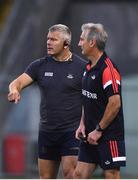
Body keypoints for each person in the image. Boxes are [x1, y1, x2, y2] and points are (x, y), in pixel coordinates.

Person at [8, 24, 86, 179]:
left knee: (71, 175)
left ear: (66, 44)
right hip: (47, 132)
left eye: (53, 39)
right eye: (48, 39)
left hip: (72, 132)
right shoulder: (39, 65)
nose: (48, 42)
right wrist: (14, 90)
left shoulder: (82, 67)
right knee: (45, 177)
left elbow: (89, 100)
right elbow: (17, 82)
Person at [73, 23, 126, 179]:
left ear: (92, 42)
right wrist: (82, 124)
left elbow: (115, 104)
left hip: (109, 135)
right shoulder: (87, 68)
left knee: (111, 175)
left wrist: (99, 130)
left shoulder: (108, 70)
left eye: (82, 39)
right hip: (89, 134)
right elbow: (87, 97)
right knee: (79, 175)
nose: (78, 43)